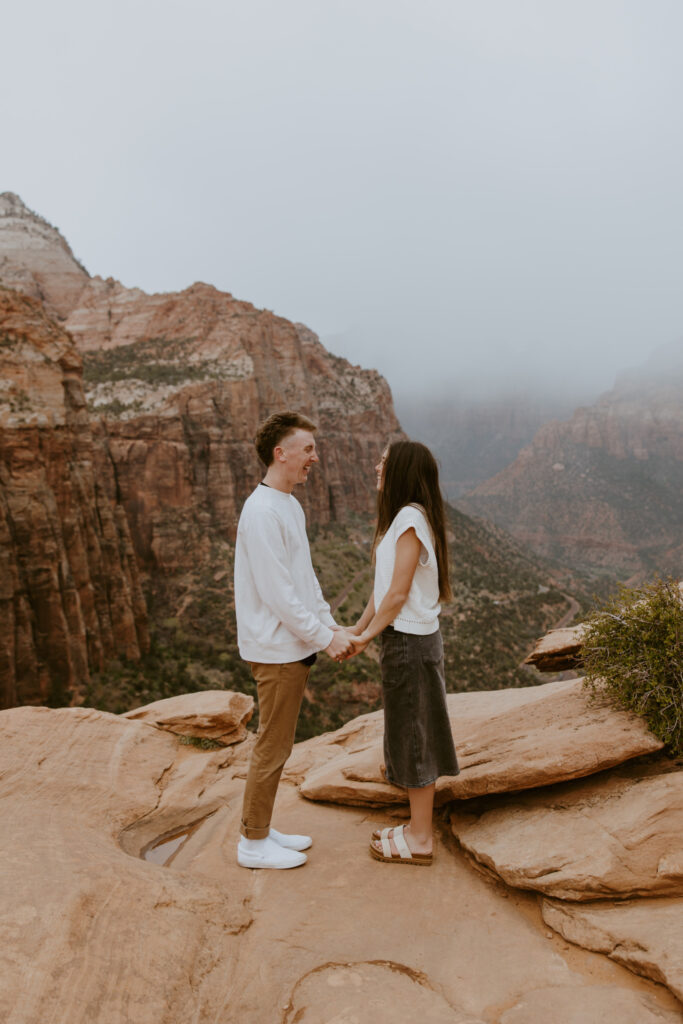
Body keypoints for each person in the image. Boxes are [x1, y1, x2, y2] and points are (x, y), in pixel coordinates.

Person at [234, 410, 353, 869]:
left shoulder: (288, 504)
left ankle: (262, 828)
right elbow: (278, 594)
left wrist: (329, 625)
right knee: (273, 744)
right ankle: (252, 843)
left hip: (293, 645)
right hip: (277, 649)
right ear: (280, 454)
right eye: (307, 450)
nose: (315, 458)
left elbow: (304, 581)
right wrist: (325, 638)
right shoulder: (262, 511)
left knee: (279, 743)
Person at [346, 440, 459, 865]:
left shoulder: (410, 518)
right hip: (406, 640)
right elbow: (383, 591)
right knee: (408, 732)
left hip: (409, 642)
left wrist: (365, 639)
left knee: (414, 737)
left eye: (384, 462)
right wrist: (358, 630)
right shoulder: (404, 518)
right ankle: (416, 828)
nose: (377, 466)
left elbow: (397, 595)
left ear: (402, 471)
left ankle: (421, 840)